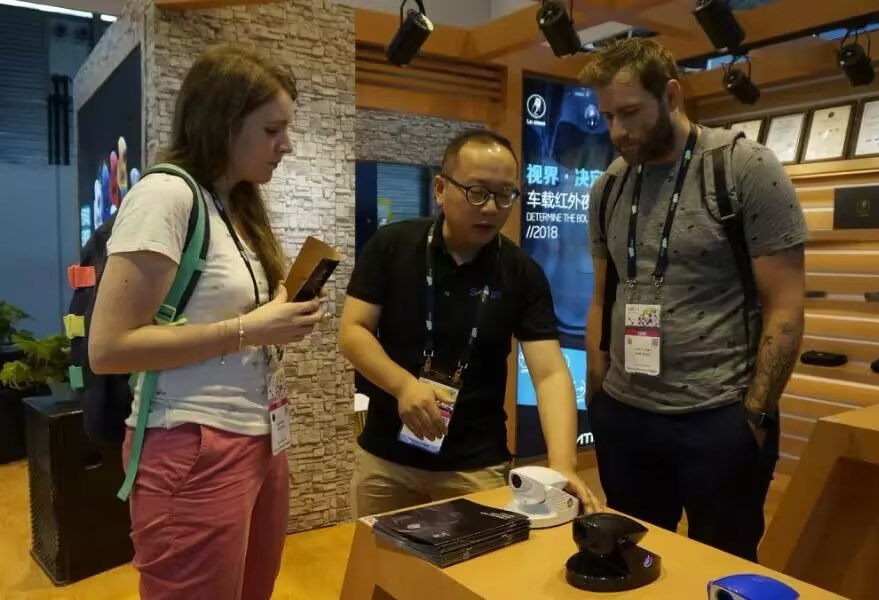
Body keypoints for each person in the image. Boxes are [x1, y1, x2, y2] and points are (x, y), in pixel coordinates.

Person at [88, 45, 323, 599]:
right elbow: (108, 348)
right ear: (223, 123)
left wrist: (278, 317)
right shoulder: (165, 196)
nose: (286, 145)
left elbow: (230, 316)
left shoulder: (233, 205)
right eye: (272, 130)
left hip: (260, 438)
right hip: (192, 444)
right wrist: (249, 330)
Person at [580, 38, 807, 561]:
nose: (617, 132)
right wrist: (599, 399)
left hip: (718, 418)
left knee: (720, 567)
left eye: (630, 113)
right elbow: (602, 296)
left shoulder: (743, 168)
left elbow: (785, 305)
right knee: (632, 564)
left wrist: (754, 416)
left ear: (671, 95)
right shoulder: (609, 187)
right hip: (626, 417)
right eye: (608, 117)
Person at [339, 129, 600, 518]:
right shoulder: (392, 246)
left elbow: (548, 373)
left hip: (475, 466)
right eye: (477, 192)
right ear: (440, 189)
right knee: (379, 557)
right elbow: (353, 331)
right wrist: (404, 386)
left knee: (479, 559)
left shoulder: (521, 272)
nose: (491, 208)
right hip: (385, 461)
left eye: (505, 194)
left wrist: (563, 463)